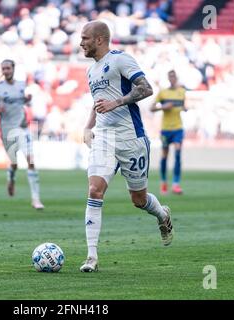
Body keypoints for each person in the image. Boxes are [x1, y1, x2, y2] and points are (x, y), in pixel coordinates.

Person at [79, 21, 174, 272]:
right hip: (105, 137)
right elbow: (97, 103)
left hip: (131, 138)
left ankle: (163, 215)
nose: (81, 43)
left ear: (100, 39)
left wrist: (117, 102)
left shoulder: (121, 60)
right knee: (95, 189)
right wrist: (88, 126)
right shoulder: (91, 71)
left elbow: (146, 88)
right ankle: (91, 257)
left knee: (138, 199)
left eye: (85, 38)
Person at [0, 59, 44, 210]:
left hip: (22, 128)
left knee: (30, 161)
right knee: (14, 163)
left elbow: (22, 103)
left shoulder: (21, 85)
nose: (6, 71)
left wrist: (27, 99)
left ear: (13, 69)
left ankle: (35, 199)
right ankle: (11, 178)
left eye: (8, 68)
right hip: (7, 129)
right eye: (3, 69)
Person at [150, 70, 186, 195]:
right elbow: (152, 108)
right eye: (170, 76)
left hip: (178, 128)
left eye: (174, 76)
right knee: (164, 155)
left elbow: (184, 105)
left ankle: (176, 184)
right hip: (165, 130)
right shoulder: (163, 93)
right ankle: (164, 182)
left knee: (177, 152)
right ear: (168, 78)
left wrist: (185, 108)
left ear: (176, 77)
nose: (172, 78)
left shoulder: (181, 92)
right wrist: (163, 107)